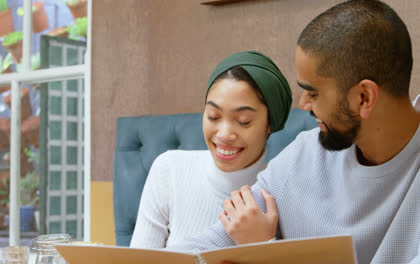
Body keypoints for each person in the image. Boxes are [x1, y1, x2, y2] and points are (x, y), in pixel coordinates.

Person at [170, 1, 420, 263]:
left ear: (363, 97)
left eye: (313, 93)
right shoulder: (306, 153)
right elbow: (210, 245)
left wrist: (264, 251)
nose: (303, 105)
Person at [129, 51, 292, 248]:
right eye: (213, 116)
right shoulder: (169, 170)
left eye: (243, 121)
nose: (223, 134)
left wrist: (265, 245)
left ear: (269, 125)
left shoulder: (283, 193)